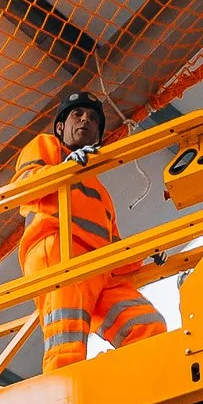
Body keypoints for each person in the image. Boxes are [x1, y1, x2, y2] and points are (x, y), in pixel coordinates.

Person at [12, 84, 164, 373]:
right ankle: (64, 398)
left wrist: (148, 253)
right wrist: (62, 168)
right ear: (60, 127)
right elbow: (22, 187)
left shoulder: (101, 193)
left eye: (93, 119)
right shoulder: (47, 147)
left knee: (148, 326)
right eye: (77, 115)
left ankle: (124, 384)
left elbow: (115, 249)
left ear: (98, 136)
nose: (85, 120)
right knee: (67, 341)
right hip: (60, 254)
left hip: (98, 270)